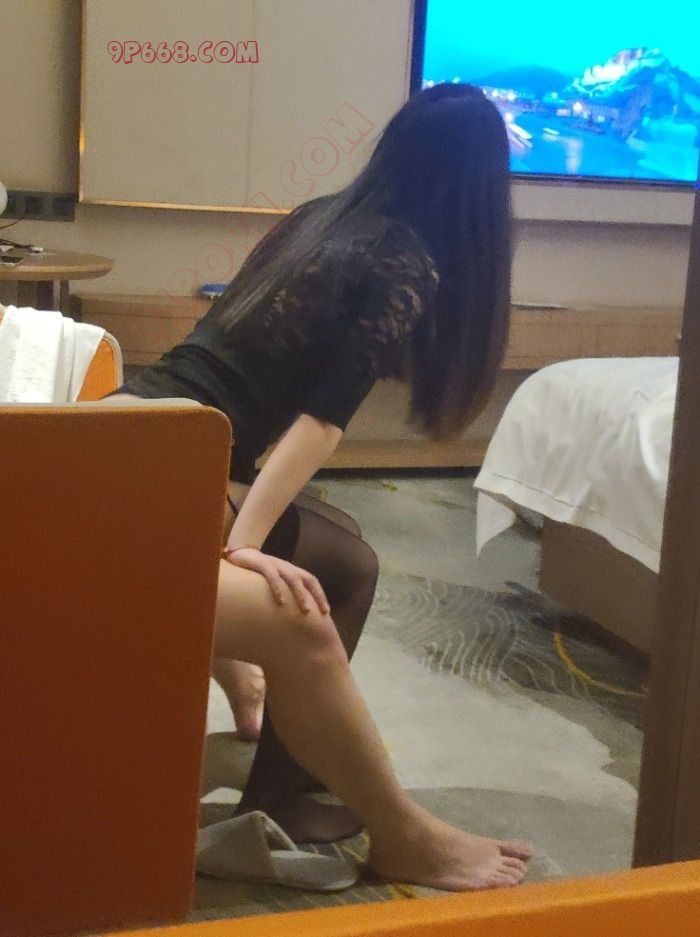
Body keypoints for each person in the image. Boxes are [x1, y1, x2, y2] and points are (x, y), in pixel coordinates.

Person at [107, 82, 529, 887]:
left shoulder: (317, 219)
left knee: (344, 555)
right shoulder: (409, 261)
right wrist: (241, 545)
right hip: (176, 462)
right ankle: (372, 823)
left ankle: (277, 779)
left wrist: (241, 535)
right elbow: (320, 424)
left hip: (126, 426)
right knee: (331, 583)